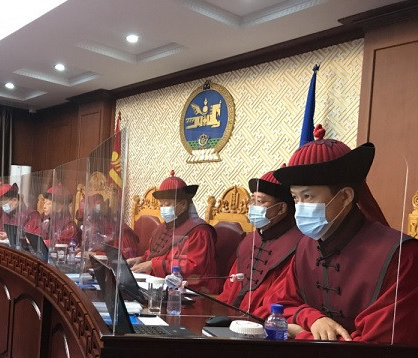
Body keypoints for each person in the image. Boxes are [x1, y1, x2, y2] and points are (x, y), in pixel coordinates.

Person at [268, 124, 418, 345]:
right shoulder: (305, 247)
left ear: (345, 196)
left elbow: (379, 347)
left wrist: (300, 333)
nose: (300, 207)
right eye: (295, 198)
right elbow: (280, 304)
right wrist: (313, 318)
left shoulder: (400, 255)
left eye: (308, 197)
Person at [216, 168, 303, 319]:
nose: (252, 207)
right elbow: (229, 289)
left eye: (260, 202)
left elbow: (279, 301)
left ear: (281, 208)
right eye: (252, 200)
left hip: (261, 324)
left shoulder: (297, 246)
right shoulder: (250, 240)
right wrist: (217, 313)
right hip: (230, 320)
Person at [127, 170, 221, 293]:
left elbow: (193, 267)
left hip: (190, 291)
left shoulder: (199, 231)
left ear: (183, 204)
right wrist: (141, 259)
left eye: (167, 204)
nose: (163, 209)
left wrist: (153, 264)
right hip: (161, 285)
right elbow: (154, 253)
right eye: (161, 205)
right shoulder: (162, 228)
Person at [80, 193, 139, 259]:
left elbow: (121, 257)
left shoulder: (123, 233)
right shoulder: (96, 222)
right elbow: (92, 245)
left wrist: (94, 253)